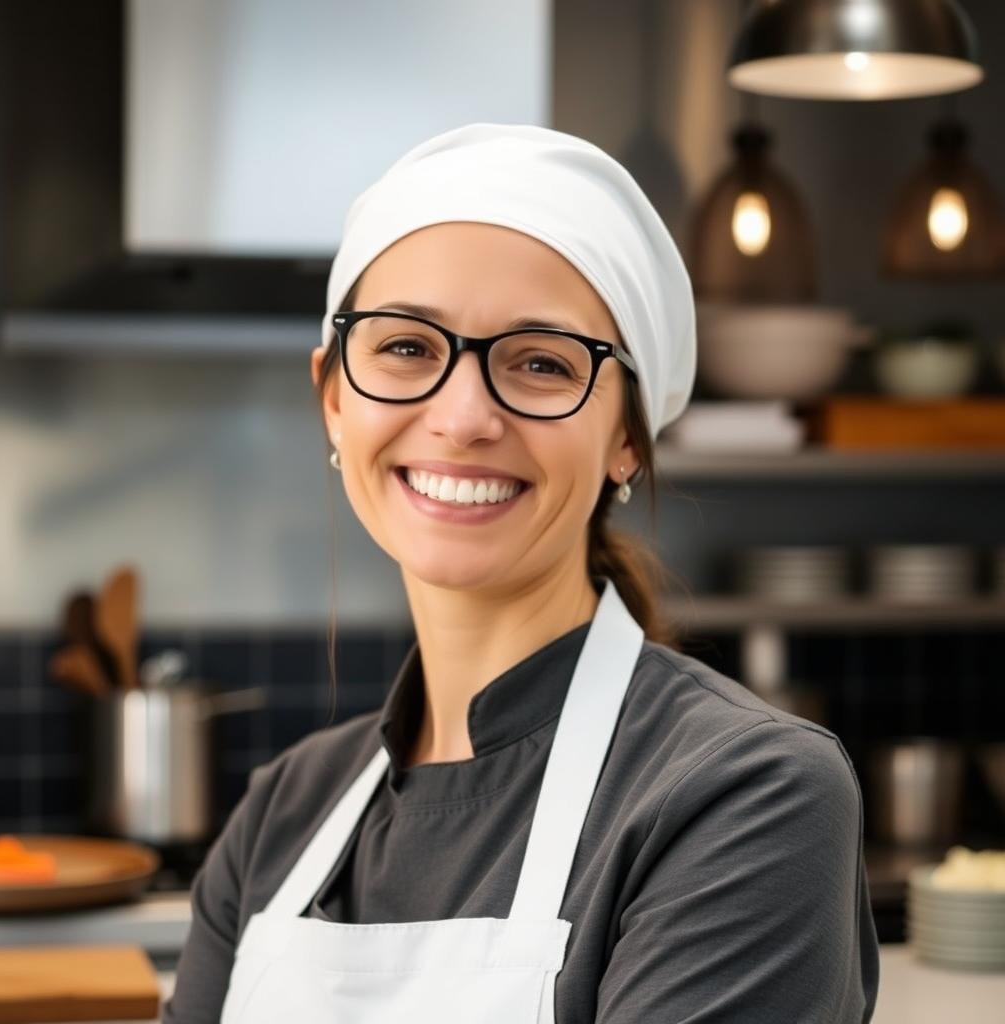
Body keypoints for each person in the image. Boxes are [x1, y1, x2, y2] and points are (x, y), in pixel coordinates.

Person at [163, 123, 880, 1023]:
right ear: (334, 401)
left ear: (626, 438)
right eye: (406, 347)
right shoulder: (283, 812)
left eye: (541, 362)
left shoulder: (747, 794)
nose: (462, 418)